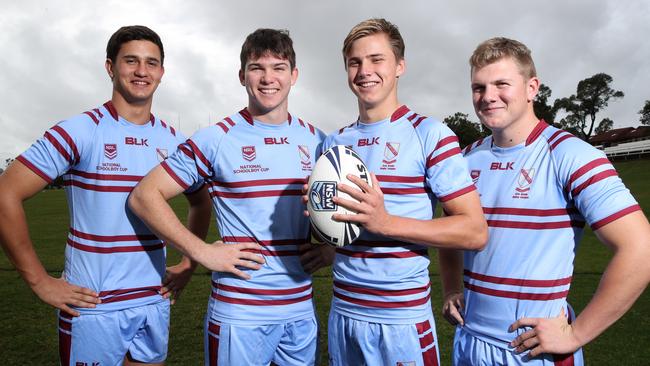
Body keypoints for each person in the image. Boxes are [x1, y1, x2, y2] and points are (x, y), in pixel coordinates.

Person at [0, 25, 233, 365]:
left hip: (153, 300)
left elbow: (201, 200)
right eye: (131, 61)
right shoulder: (80, 130)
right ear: (110, 67)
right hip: (93, 305)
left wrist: (188, 261)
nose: (142, 71)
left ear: (162, 72)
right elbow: (6, 192)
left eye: (151, 63)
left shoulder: (174, 143)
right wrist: (39, 281)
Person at [439, 37, 650, 365]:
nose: (488, 96)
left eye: (501, 84)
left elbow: (642, 248)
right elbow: (448, 230)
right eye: (478, 87)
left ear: (531, 87)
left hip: (532, 351)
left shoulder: (569, 154)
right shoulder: (464, 159)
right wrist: (452, 287)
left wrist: (575, 334)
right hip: (470, 344)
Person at [128, 28, 326, 366]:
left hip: (300, 310)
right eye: (256, 68)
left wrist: (331, 248)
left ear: (293, 75)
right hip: (240, 313)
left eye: (278, 67)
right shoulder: (216, 138)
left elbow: (341, 210)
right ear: (241, 75)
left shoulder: (319, 141)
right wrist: (201, 252)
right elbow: (145, 196)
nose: (268, 78)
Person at [316, 18, 488, 366]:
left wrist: (386, 222)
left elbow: (473, 230)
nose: (365, 71)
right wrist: (321, 227)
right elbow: (336, 236)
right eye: (355, 62)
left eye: (377, 60)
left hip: (401, 321)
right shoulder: (333, 144)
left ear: (399, 66)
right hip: (344, 314)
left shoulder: (430, 135)